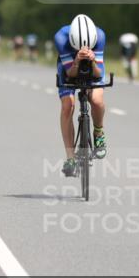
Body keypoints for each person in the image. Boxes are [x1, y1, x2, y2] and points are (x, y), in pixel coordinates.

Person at [55, 14, 107, 177]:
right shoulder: (61, 38)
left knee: (97, 101)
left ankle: (98, 132)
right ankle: (70, 157)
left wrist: (91, 61)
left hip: (93, 66)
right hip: (69, 66)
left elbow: (98, 74)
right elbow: (70, 73)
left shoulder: (99, 36)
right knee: (67, 106)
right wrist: (77, 61)